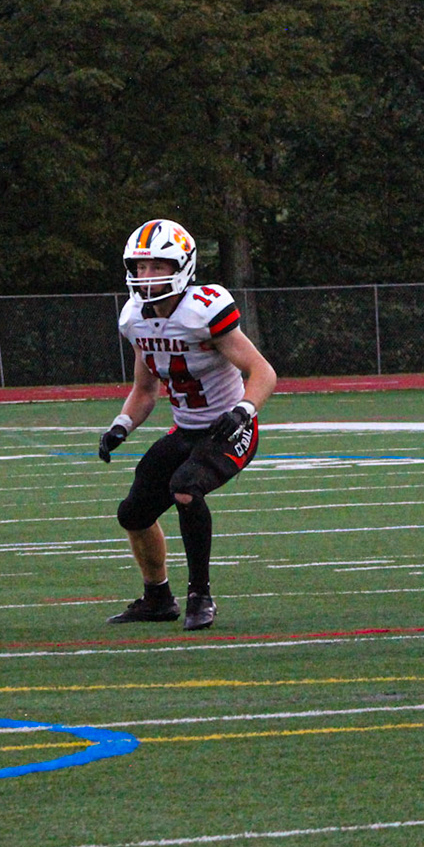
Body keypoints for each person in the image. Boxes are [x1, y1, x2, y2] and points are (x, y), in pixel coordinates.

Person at [98, 219, 275, 631]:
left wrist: (243, 411)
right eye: (140, 267)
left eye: (157, 266)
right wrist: (121, 425)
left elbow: (262, 371)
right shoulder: (135, 318)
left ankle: (200, 596)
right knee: (133, 513)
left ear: (182, 267)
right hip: (186, 429)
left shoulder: (203, 311)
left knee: (185, 487)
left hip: (229, 428)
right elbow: (145, 389)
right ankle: (157, 597)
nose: (146, 275)